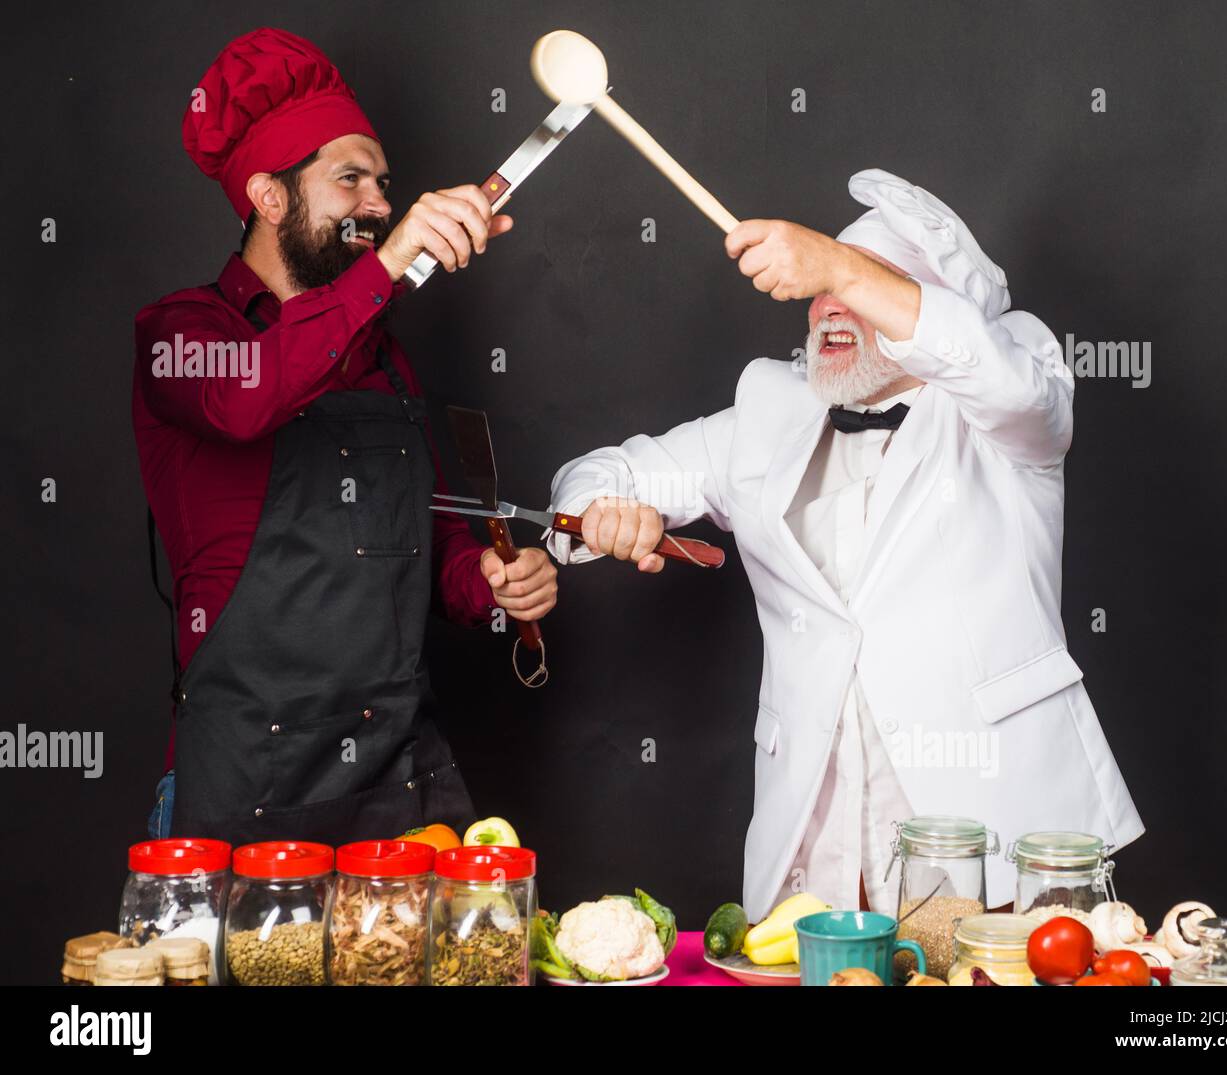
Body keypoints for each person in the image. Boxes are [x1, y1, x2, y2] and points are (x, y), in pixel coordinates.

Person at [545, 168, 1143, 918]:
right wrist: (598, 510)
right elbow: (603, 471)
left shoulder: (1012, 407)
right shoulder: (769, 408)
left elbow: (1011, 384)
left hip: (1000, 847)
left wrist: (835, 263)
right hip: (819, 847)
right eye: (821, 290)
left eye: (859, 287)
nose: (827, 303)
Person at [134, 28, 556, 846]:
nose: (378, 204)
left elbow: (430, 549)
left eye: (384, 185)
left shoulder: (380, 358)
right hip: (245, 792)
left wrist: (493, 581)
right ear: (268, 196)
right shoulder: (180, 333)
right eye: (350, 179)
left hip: (400, 787)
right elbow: (246, 397)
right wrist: (390, 262)